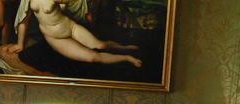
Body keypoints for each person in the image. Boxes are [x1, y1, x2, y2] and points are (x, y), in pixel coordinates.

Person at [7, 0, 140, 67]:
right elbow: (23, 20)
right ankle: (127, 58)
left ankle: (123, 48)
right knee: (92, 57)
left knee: (101, 45)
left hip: (71, 27)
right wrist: (20, 44)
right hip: (55, 37)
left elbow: (72, 3)